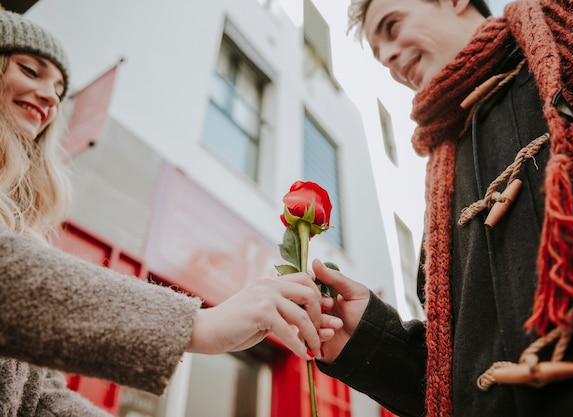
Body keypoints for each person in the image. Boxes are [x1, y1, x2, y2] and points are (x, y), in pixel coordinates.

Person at [0, 9, 339, 417]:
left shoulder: (22, 218)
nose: (51, 96)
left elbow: (39, 397)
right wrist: (200, 325)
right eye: (30, 71)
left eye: (58, 87)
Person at [311, 0, 573, 416]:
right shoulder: (441, 184)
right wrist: (365, 338)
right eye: (377, 52)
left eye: (392, 25)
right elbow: (462, 384)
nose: (387, 57)